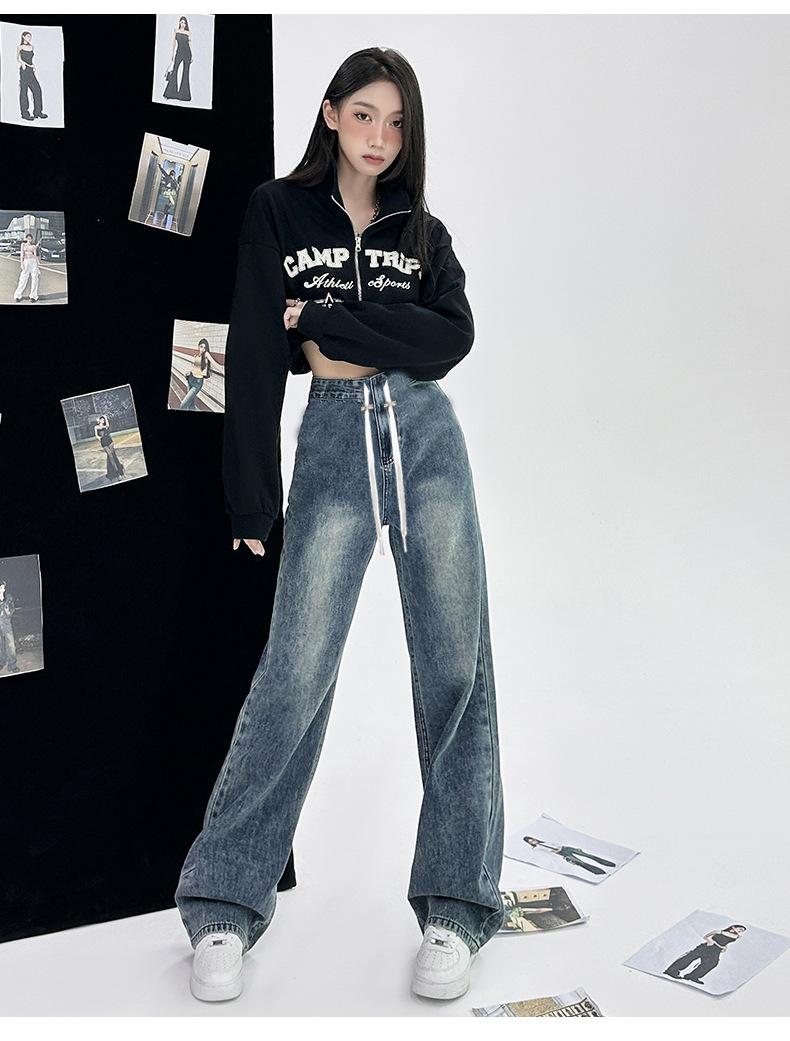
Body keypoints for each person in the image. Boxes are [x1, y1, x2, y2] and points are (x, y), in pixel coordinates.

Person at [175, 46, 505, 1005]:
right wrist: (251, 496)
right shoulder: (278, 211)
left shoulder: (423, 232)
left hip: (427, 441)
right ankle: (224, 903)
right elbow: (256, 352)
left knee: (456, 665)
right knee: (295, 671)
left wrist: (324, 320)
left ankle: (457, 903)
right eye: (364, 115)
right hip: (330, 445)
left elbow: (449, 339)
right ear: (330, 114)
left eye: (396, 122)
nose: (379, 137)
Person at [664, 924, 746, 984]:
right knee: (689, 957)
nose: (741, 931)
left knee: (712, 963)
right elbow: (706, 936)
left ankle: (693, 976)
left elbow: (727, 942)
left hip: (717, 950)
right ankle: (671, 971)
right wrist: (710, 940)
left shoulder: (736, 936)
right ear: (733, 927)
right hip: (707, 946)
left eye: (742, 930)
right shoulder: (720, 931)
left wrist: (725, 947)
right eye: (740, 929)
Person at [17, 30, 47, 122]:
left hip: (30, 70)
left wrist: (33, 66)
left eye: (30, 37)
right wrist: (22, 63)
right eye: (28, 36)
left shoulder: (31, 47)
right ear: (23, 37)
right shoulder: (20, 47)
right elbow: (17, 58)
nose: (29, 38)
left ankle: (38, 112)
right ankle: (25, 114)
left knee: (37, 90)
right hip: (24, 70)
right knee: (24, 92)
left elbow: (30, 59)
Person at [179, 339, 214, 410]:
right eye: (201, 346)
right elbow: (195, 367)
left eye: (204, 347)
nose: (202, 349)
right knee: (191, 404)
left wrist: (223, 370)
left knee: (183, 404)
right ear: (198, 346)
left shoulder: (206, 354)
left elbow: (215, 363)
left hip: (198, 382)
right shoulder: (196, 355)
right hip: (191, 378)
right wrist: (189, 372)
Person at [164, 17, 192, 102]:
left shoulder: (188, 33)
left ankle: (184, 96)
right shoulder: (176, 30)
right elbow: (173, 43)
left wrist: (192, 55)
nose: (183, 24)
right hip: (179, 52)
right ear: (179, 23)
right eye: (181, 22)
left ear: (186, 24)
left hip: (187, 53)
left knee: (186, 73)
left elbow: (190, 44)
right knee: (175, 70)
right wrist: (172, 54)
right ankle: (170, 94)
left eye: (184, 23)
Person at [94, 414, 125, 480]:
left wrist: (105, 417)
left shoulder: (105, 426)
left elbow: (108, 425)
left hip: (109, 440)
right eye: (102, 420)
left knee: (113, 455)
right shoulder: (96, 427)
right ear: (99, 420)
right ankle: (117, 473)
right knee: (110, 455)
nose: (103, 421)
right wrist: (99, 438)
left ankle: (118, 471)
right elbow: (96, 435)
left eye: (103, 420)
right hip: (103, 442)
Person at [0, 579, 20, 675]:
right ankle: (1, 662)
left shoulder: (8, 597)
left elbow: (12, 608)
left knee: (11, 645)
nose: (2, 590)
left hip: (6, 623)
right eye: (0, 588)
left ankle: (12, 665)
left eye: (3, 588)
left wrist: (8, 612)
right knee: (0, 645)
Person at [13, 234, 40, 303]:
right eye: (28, 238)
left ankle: (33, 296)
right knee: (23, 279)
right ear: (26, 239)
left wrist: (38, 264)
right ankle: (17, 295)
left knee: (35, 279)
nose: (29, 240)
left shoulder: (33, 246)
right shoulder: (23, 245)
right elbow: (22, 254)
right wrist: (21, 264)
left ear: (32, 239)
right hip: (26, 262)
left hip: (33, 262)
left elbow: (35, 255)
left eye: (30, 238)